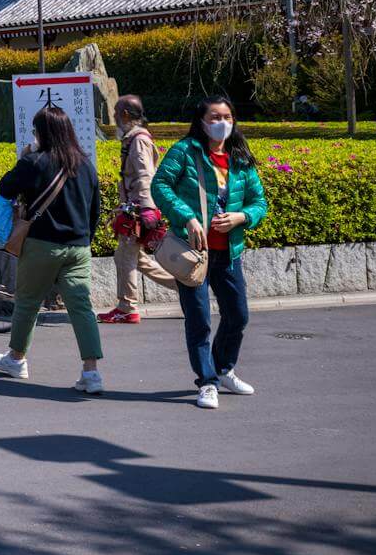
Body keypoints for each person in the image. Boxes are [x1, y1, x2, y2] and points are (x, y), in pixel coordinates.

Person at [153, 95, 269, 410]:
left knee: (238, 315)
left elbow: (260, 202)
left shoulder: (240, 157)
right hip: (194, 254)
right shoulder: (184, 151)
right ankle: (206, 381)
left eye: (227, 117)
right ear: (202, 121)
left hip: (228, 252)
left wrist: (241, 217)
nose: (222, 123)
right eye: (215, 117)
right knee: (199, 318)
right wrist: (186, 217)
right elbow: (160, 186)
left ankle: (223, 368)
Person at [0, 105, 106, 393]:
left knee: (28, 303)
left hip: (42, 244)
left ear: (41, 132)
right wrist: (83, 238)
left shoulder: (35, 162)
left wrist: (24, 157)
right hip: (78, 247)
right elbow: (96, 210)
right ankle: (91, 372)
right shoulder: (86, 164)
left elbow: (4, 190)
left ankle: (17, 359)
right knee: (81, 309)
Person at [101, 95, 173, 325]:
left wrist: (146, 208)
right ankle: (188, 286)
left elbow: (145, 174)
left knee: (125, 257)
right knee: (136, 259)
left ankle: (127, 307)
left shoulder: (138, 140)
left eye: (115, 112)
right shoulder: (133, 139)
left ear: (124, 115)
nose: (113, 117)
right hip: (135, 208)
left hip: (137, 211)